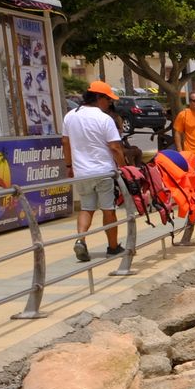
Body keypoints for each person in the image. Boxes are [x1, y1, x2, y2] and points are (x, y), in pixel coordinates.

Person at [61, 79, 125, 261]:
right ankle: (113, 247)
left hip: (81, 172)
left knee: (87, 208)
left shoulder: (70, 116)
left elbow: (65, 142)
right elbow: (115, 147)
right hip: (103, 171)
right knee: (108, 209)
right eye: (108, 100)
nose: (109, 103)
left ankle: (81, 240)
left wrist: (69, 166)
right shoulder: (104, 119)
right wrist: (125, 167)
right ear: (98, 98)